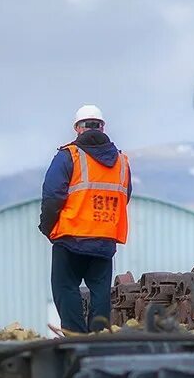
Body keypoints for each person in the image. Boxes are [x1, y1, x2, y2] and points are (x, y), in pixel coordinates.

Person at [39, 104, 131, 333]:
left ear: (77, 128)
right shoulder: (121, 161)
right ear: (102, 127)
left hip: (71, 238)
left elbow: (52, 196)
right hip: (105, 238)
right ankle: (99, 335)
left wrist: (47, 227)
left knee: (65, 287)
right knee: (101, 290)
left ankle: (74, 336)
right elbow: (124, 196)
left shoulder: (68, 156)